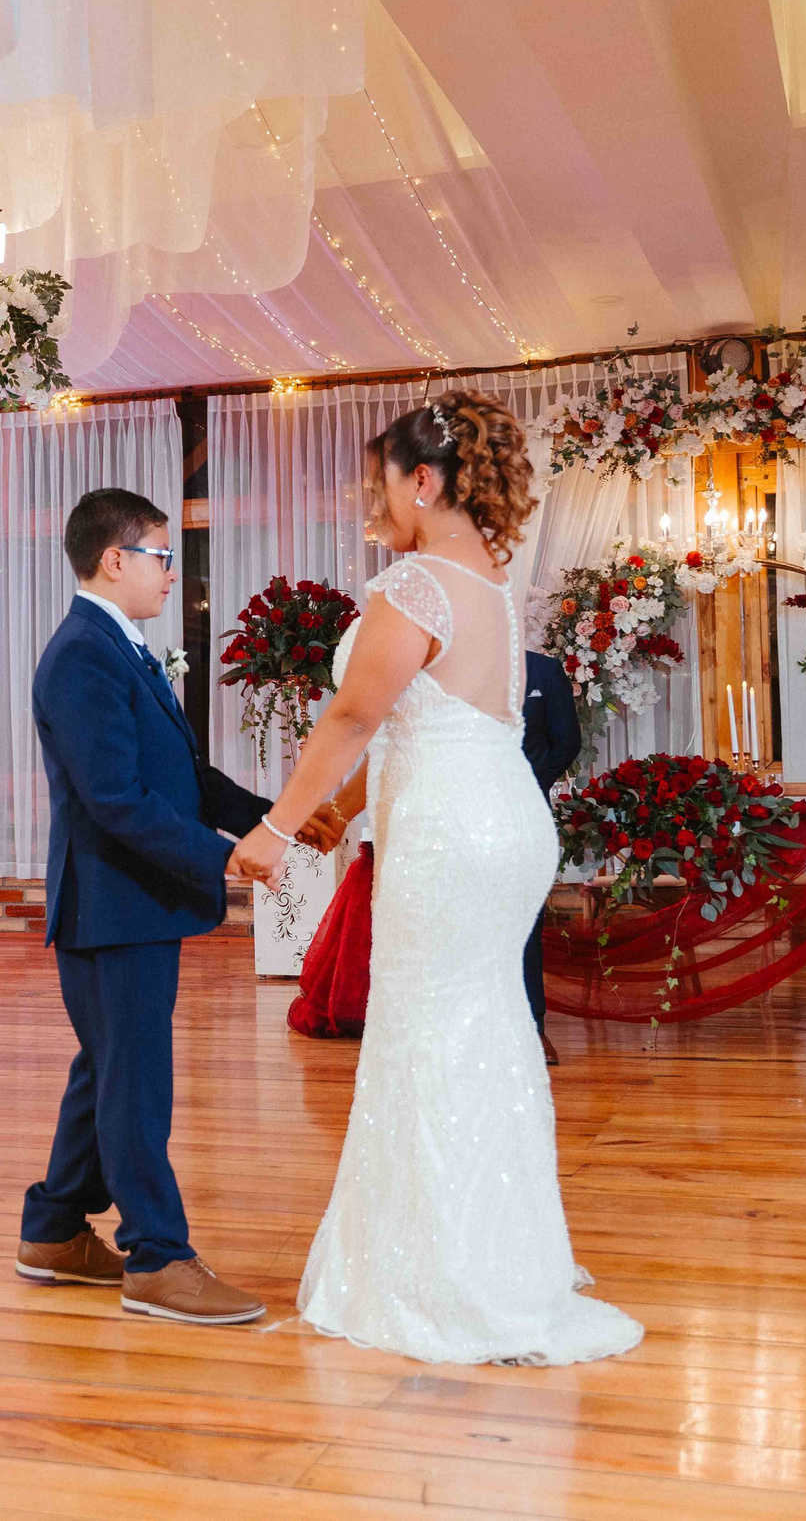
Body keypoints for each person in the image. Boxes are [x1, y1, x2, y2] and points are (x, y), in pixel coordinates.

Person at [229, 392, 643, 1366]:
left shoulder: (411, 585)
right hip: (504, 820)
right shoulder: (491, 583)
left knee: (423, 1032)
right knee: (486, 1028)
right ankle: (503, 1258)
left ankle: (441, 1275)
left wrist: (275, 828)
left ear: (424, 480)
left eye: (381, 479)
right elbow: (434, 719)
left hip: (450, 835)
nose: (372, 498)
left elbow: (354, 716)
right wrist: (342, 812)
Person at [18, 488, 342, 1326]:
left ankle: (53, 1231)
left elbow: (186, 780)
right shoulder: (82, 655)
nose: (173, 574)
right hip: (111, 907)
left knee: (109, 1070)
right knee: (136, 1084)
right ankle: (158, 1258)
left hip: (132, 906)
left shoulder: (119, 647)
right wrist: (229, 855)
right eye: (162, 556)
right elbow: (117, 799)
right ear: (114, 559)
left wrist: (280, 817)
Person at [519, 647, 581, 1063]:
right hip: (462, 811)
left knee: (526, 921)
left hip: (526, 810)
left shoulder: (542, 669)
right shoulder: (452, 663)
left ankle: (532, 1029)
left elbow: (567, 741)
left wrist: (526, 781)